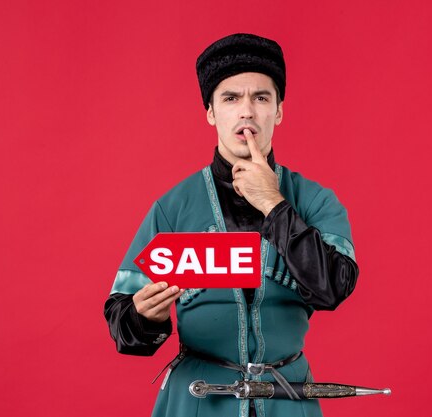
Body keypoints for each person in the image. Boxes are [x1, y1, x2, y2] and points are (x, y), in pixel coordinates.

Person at [104, 33, 359, 417]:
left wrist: (273, 204)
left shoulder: (315, 200)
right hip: (196, 400)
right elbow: (121, 322)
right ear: (210, 112)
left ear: (279, 111)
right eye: (230, 98)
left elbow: (335, 288)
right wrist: (144, 317)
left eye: (261, 97)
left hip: (288, 400)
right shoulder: (174, 208)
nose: (247, 112)